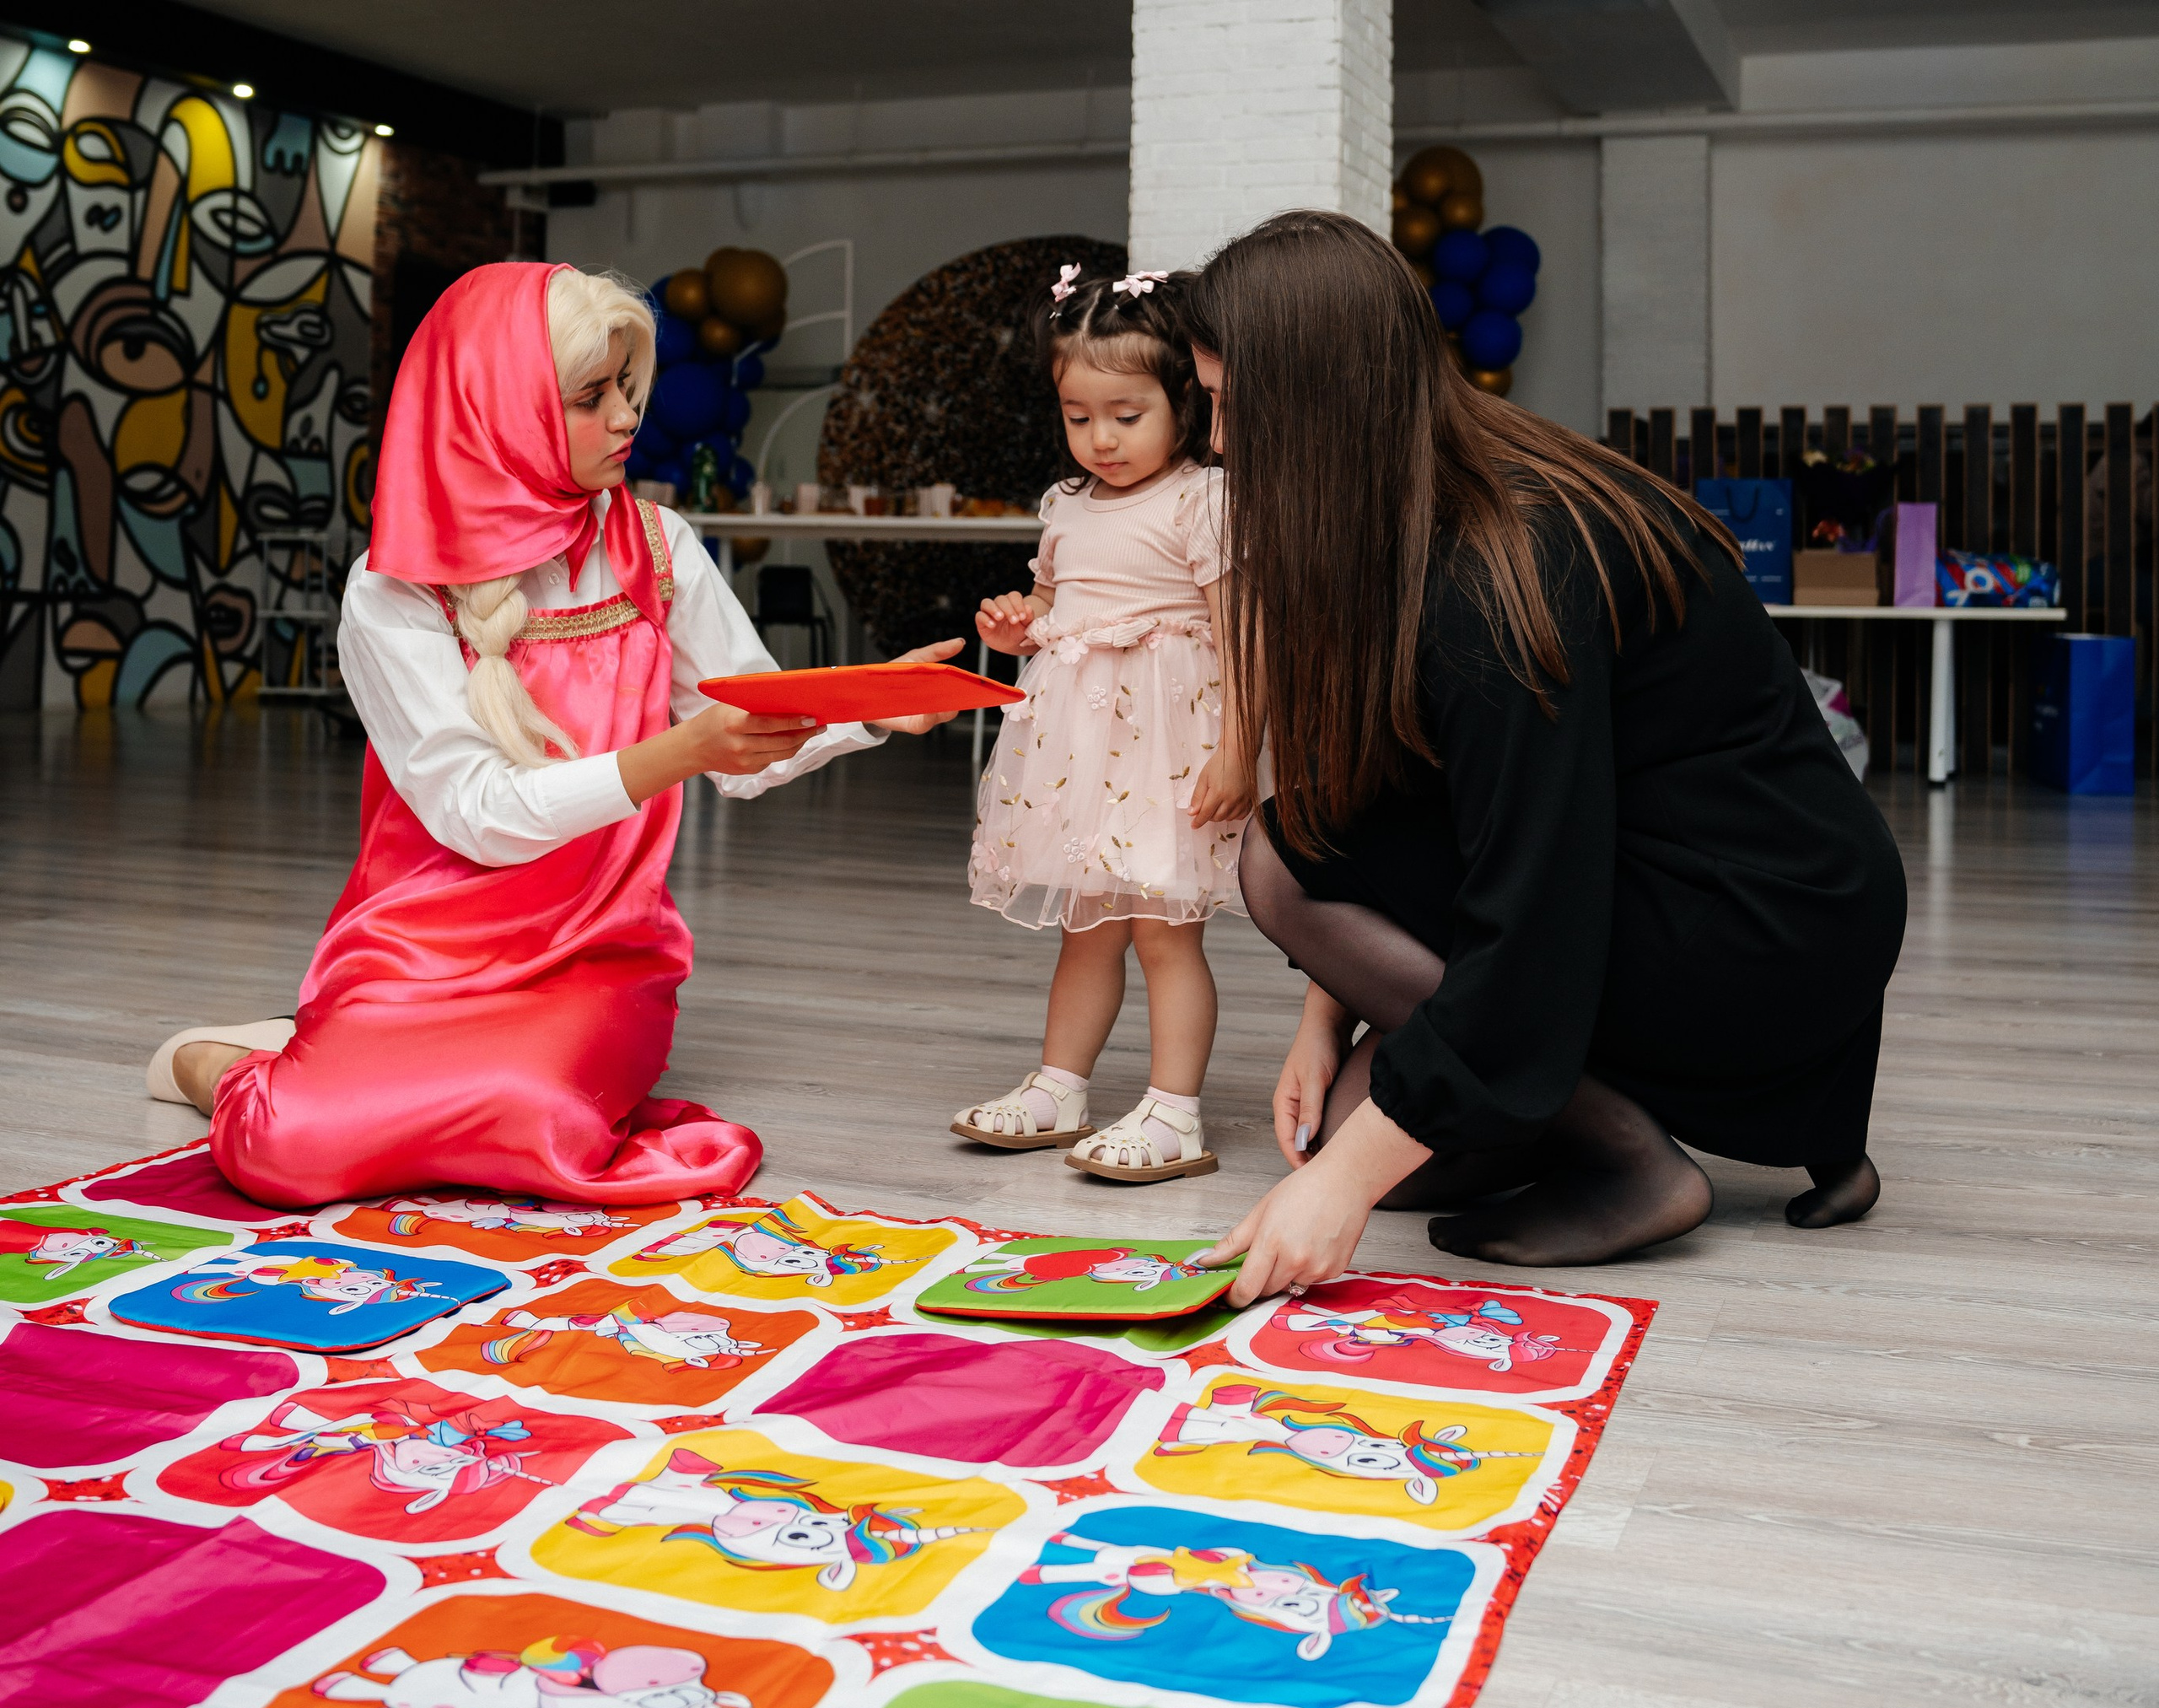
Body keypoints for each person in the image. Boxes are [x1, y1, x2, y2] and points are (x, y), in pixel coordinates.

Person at [1188, 212, 1908, 1297]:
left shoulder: (1494, 578)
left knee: (1282, 870)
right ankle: (1635, 1110)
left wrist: (1338, 1188)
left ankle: (1632, 1160)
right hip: (1757, 876)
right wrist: (1322, 1015)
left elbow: (1536, 909)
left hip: (1765, 927)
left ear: (1317, 410)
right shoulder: (1456, 484)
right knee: (1365, 1123)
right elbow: (1403, 794)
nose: (1216, 443)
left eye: (1228, 406)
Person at [146, 261, 961, 1207]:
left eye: (627, 388)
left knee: (539, 1119)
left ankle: (330, 1053)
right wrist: (680, 752)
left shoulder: (658, 548)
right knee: (287, 1150)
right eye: (589, 396)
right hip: (418, 950)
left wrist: (874, 711)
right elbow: (478, 816)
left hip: (596, 955)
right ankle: (225, 1064)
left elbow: (743, 743)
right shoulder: (392, 589)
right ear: (498, 408)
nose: (626, 417)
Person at [954, 264, 1250, 1184]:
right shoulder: (1064, 506)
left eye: (1127, 414)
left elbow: (1242, 634)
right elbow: (1053, 605)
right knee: (1087, 923)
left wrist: (1240, 749)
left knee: (1165, 929)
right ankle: (1058, 1085)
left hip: (1168, 744)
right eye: (1080, 417)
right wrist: (1017, 625)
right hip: (1080, 748)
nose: (1102, 438)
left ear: (1183, 404)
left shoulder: (1205, 499)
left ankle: (1174, 1112)